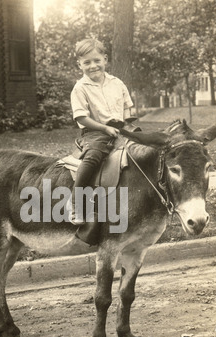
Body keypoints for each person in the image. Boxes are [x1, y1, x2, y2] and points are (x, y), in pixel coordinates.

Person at [70, 38, 134, 225]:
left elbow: (127, 107)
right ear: (79, 64)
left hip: (121, 128)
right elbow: (81, 118)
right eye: (87, 62)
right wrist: (105, 128)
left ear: (105, 59)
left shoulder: (117, 83)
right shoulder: (80, 88)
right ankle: (74, 201)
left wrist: (127, 125)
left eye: (97, 60)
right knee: (93, 157)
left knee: (146, 151)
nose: (93, 66)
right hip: (95, 131)